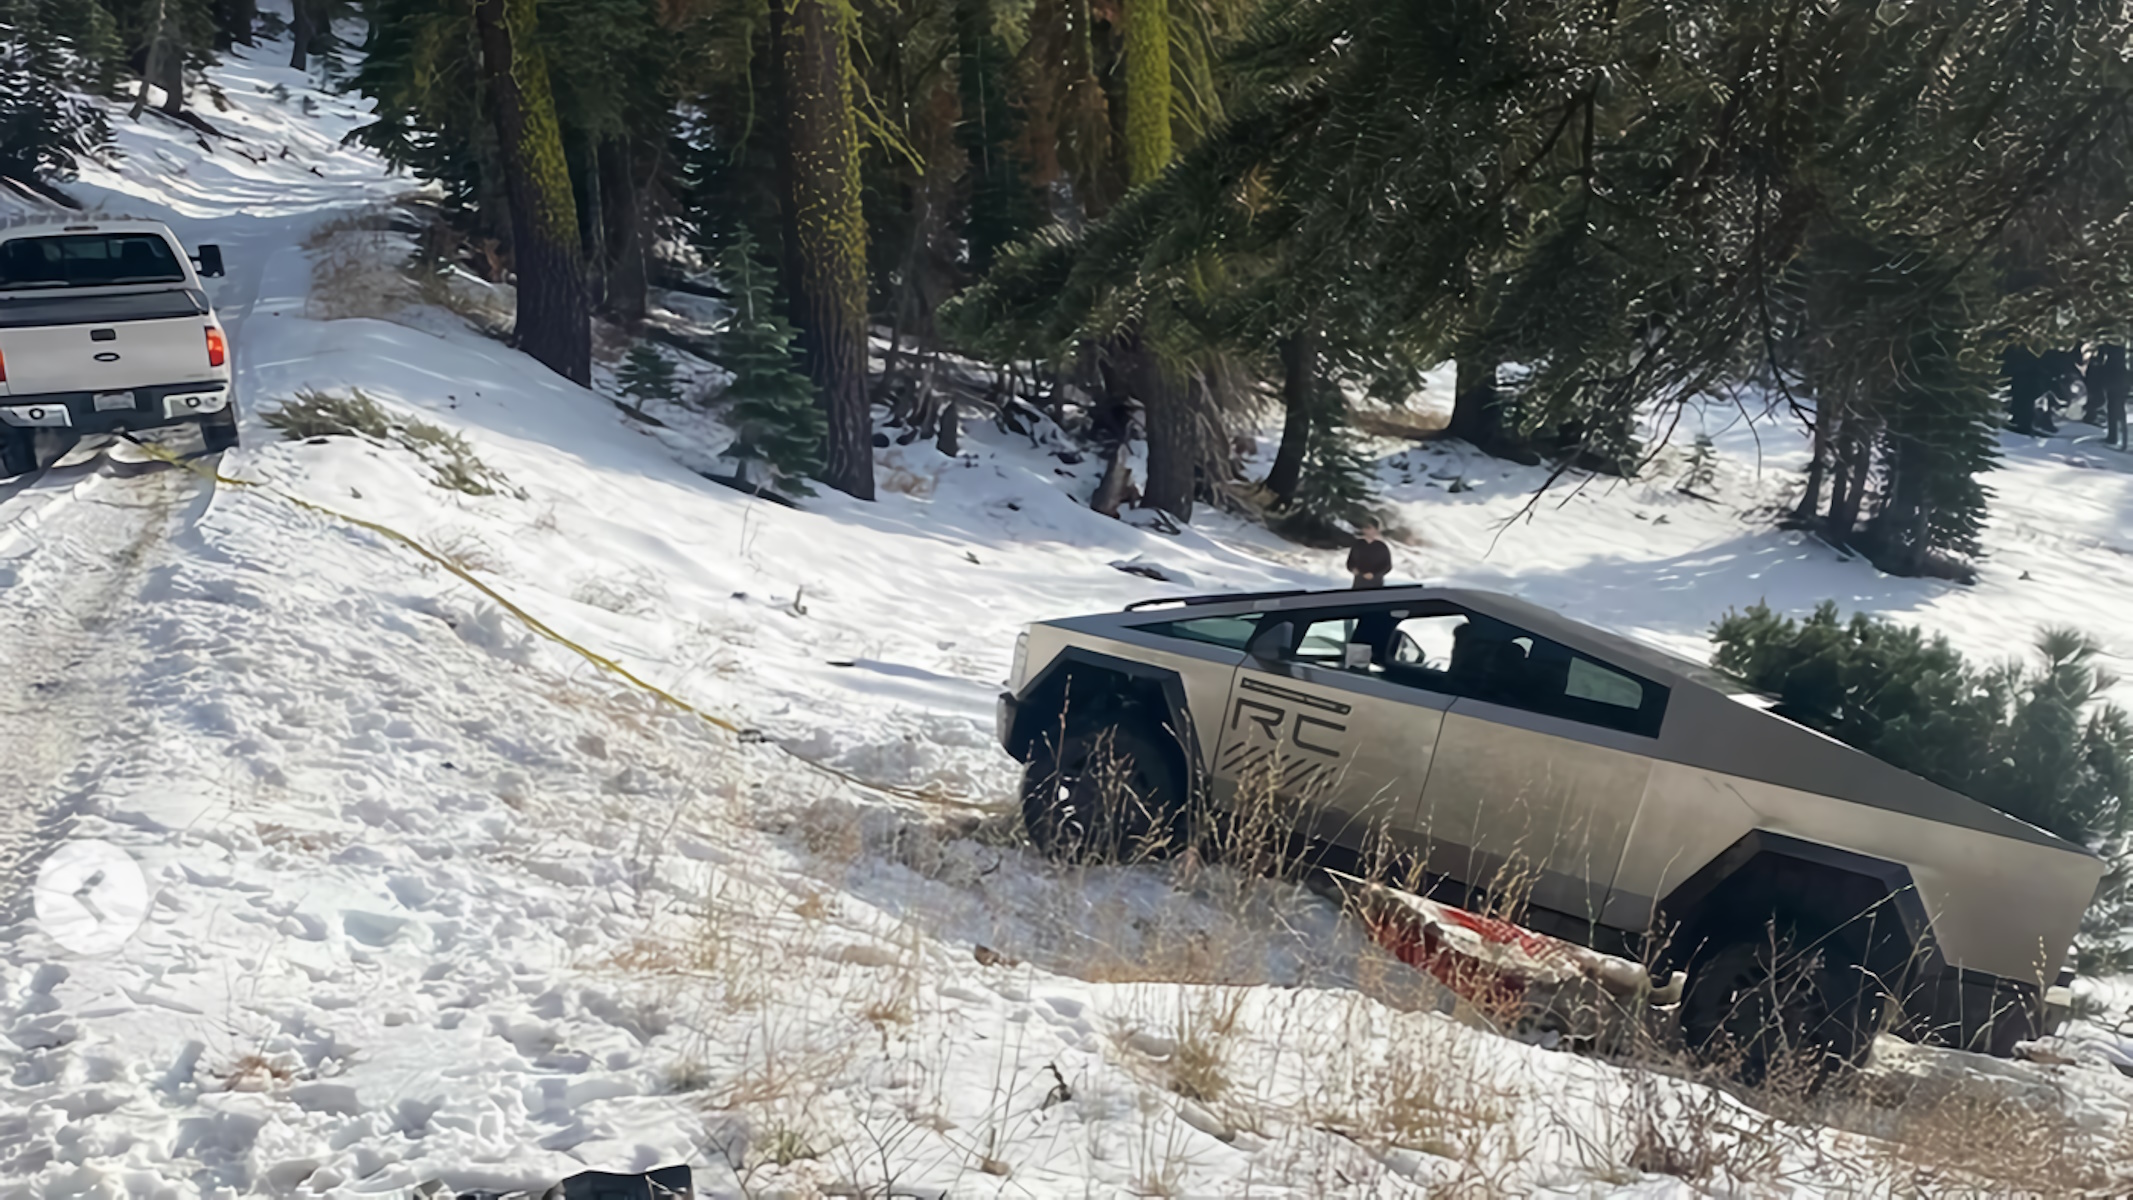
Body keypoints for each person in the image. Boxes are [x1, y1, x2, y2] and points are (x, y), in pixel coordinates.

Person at [1347, 522, 1392, 588]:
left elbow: (1387, 565)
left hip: (1376, 582)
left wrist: (1374, 574)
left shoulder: (1382, 546)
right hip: (1359, 581)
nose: (1367, 530)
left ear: (1376, 530)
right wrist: (1354, 570)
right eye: (1365, 528)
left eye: (1369, 528)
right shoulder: (1358, 544)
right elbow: (1350, 562)